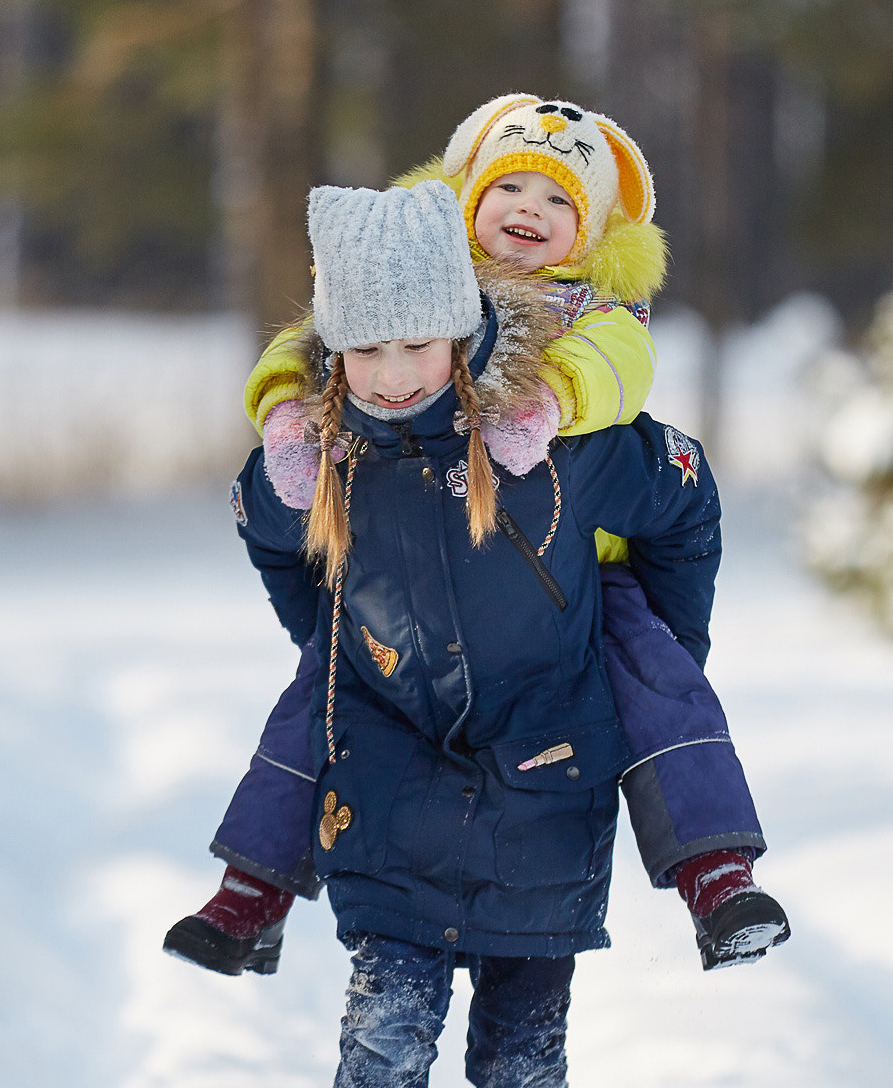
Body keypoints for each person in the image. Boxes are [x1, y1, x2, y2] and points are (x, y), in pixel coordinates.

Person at [224, 184, 725, 1088]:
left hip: (543, 795)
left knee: (523, 1087)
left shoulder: (562, 445)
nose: (393, 373)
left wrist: (652, 642)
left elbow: (684, 503)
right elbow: (268, 536)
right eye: (365, 349)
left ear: (463, 331)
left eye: (416, 343)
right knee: (377, 1071)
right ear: (333, 350)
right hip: (390, 797)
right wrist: (341, 646)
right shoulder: (326, 450)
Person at [165, 95, 785, 976]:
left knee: (649, 667)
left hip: (567, 569)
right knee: (329, 683)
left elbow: (622, 372)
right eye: (511, 186)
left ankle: (716, 871)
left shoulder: (596, 307)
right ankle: (252, 886)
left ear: (595, 228)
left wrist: (551, 400)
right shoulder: (409, 276)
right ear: (465, 195)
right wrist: (287, 417)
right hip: (406, 559)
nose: (530, 208)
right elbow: (310, 339)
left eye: (560, 198)